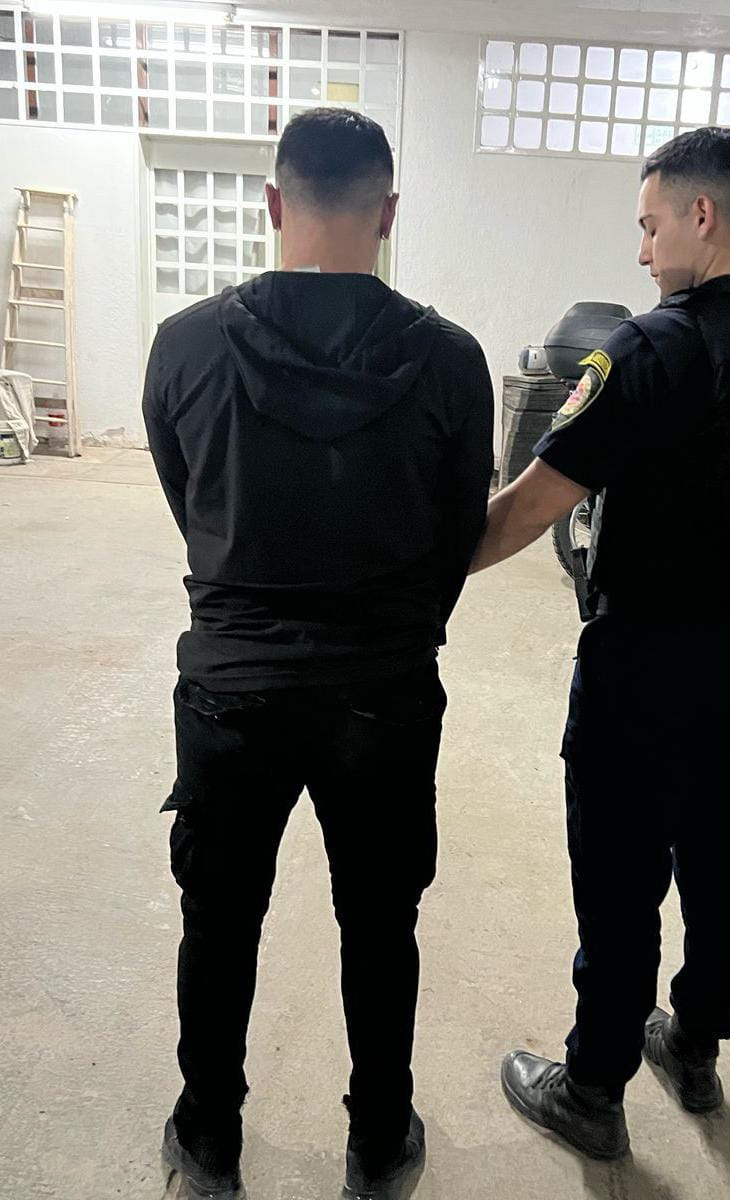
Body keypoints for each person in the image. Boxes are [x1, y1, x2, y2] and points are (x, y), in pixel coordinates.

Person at [472, 126, 730, 1159]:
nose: (641, 250)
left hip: (646, 664)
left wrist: (410, 572)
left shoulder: (653, 349)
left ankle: (592, 1089)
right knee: (723, 867)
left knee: (620, 882)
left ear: (701, 214)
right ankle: (693, 1046)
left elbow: (523, 513)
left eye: (650, 226)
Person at [143, 108, 494, 1200]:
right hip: (383, 691)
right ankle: (379, 1142)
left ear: (272, 204)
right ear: (387, 213)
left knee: (219, 922)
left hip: (232, 689)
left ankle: (210, 1137)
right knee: (381, 925)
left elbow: (190, 502)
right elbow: (456, 533)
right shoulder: (450, 360)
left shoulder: (186, 344)